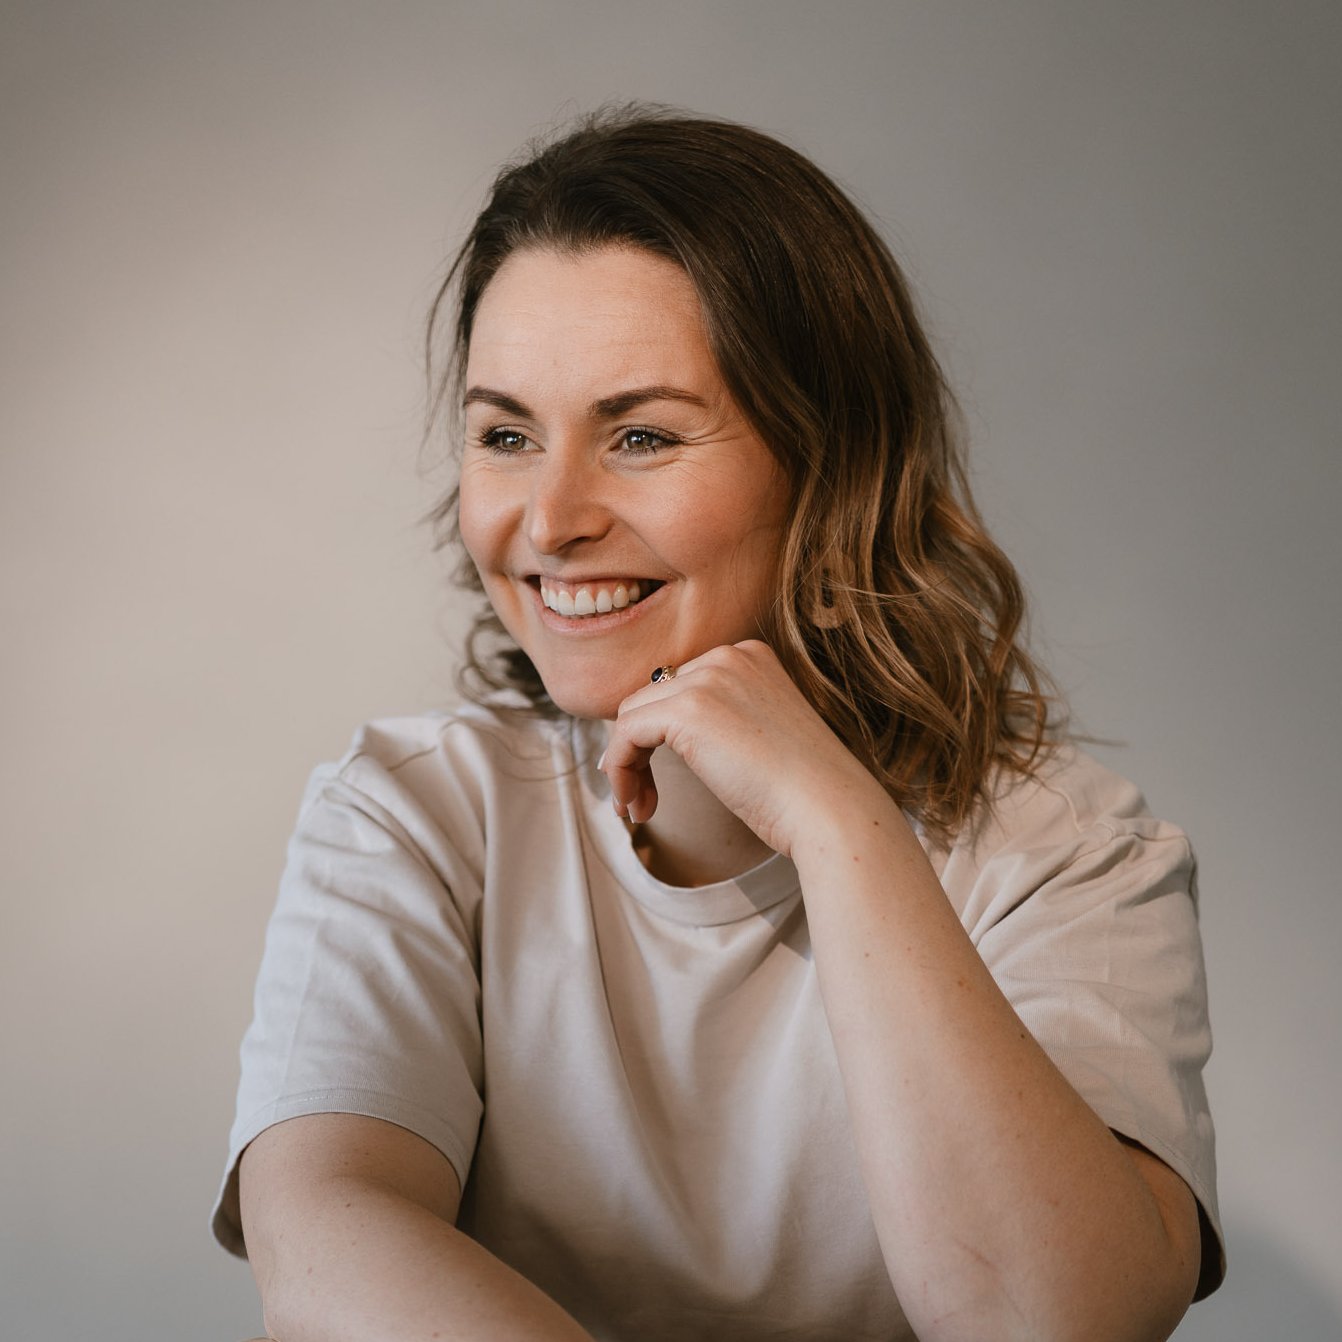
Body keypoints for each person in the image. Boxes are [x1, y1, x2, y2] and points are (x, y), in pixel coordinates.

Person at [213, 108, 1223, 1341]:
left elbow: (1055, 1320)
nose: (551, 517)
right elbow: (322, 1242)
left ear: (833, 468)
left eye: (640, 435)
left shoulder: (1071, 854)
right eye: (506, 435)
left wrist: (839, 825)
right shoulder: (409, 812)